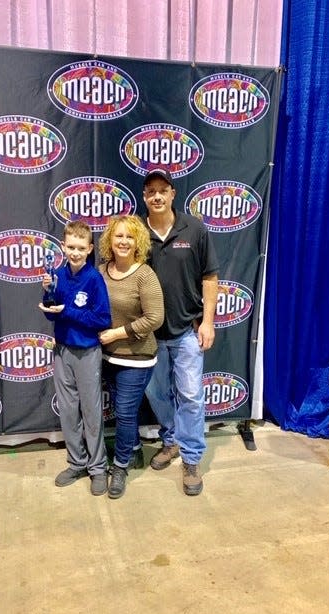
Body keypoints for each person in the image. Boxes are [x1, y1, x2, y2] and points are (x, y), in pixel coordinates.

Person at [141, 168, 219, 496]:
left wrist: (208, 321)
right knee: (156, 394)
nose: (156, 196)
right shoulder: (136, 234)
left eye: (162, 190)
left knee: (189, 395)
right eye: (150, 192)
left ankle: (190, 457)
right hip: (149, 334)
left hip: (187, 330)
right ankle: (170, 441)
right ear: (145, 198)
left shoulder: (195, 229)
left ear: (173, 193)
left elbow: (210, 278)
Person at [38, 220, 112, 496]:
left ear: (90, 248)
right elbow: (50, 313)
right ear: (62, 246)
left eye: (81, 248)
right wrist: (47, 294)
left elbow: (102, 318)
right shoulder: (56, 273)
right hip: (62, 351)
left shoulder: (94, 279)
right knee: (68, 411)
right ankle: (76, 462)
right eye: (71, 247)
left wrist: (66, 310)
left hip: (88, 353)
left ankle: (97, 468)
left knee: (92, 413)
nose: (75, 252)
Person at [98, 215, 164, 499]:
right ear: (109, 241)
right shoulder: (100, 271)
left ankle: (121, 467)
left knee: (124, 412)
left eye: (129, 236)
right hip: (106, 356)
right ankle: (135, 451)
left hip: (136, 357)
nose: (123, 241)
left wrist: (117, 334)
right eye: (118, 236)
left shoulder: (144, 275)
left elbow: (155, 318)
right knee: (124, 411)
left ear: (138, 242)